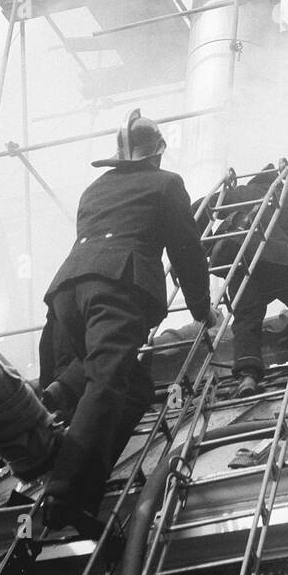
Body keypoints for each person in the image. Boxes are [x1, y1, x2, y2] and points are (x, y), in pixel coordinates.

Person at [39, 109, 216, 533]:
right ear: (156, 155)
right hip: (116, 288)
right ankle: (64, 489)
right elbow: (187, 252)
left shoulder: (94, 188)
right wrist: (202, 311)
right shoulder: (166, 183)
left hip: (66, 294)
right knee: (107, 379)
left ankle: (79, 453)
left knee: (131, 386)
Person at [213, 165, 288, 398]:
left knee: (246, 320)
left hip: (242, 268)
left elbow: (200, 210)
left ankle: (248, 377)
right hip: (281, 265)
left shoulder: (237, 195)